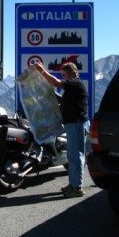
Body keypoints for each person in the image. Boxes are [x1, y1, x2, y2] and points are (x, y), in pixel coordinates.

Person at [34, 62, 90, 198]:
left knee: (76, 156)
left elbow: (56, 83)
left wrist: (41, 70)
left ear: (71, 73)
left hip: (77, 124)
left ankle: (77, 187)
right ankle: (73, 184)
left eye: (64, 75)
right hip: (73, 124)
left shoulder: (75, 83)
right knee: (72, 156)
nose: (63, 77)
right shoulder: (72, 88)